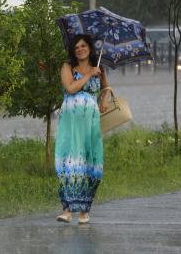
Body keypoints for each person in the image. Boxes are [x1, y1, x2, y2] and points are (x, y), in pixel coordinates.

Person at [55, 34, 110, 224]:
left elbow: (106, 90)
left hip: (90, 123)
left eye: (83, 46)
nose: (80, 49)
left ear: (90, 48)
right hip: (70, 124)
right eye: (76, 47)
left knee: (89, 161)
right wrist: (88, 75)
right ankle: (67, 210)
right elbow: (70, 88)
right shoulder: (67, 67)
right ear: (73, 50)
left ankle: (84, 211)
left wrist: (104, 101)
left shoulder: (100, 68)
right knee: (70, 160)